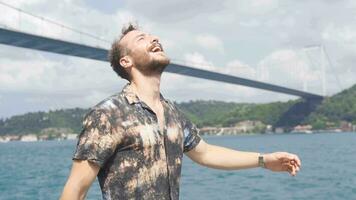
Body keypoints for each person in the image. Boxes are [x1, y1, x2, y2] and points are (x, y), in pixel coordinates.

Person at [60, 23, 301, 200]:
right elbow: (75, 190)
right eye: (142, 38)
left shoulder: (173, 114)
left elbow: (206, 153)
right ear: (126, 62)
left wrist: (263, 160)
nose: (154, 38)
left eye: (153, 36)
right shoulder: (108, 115)